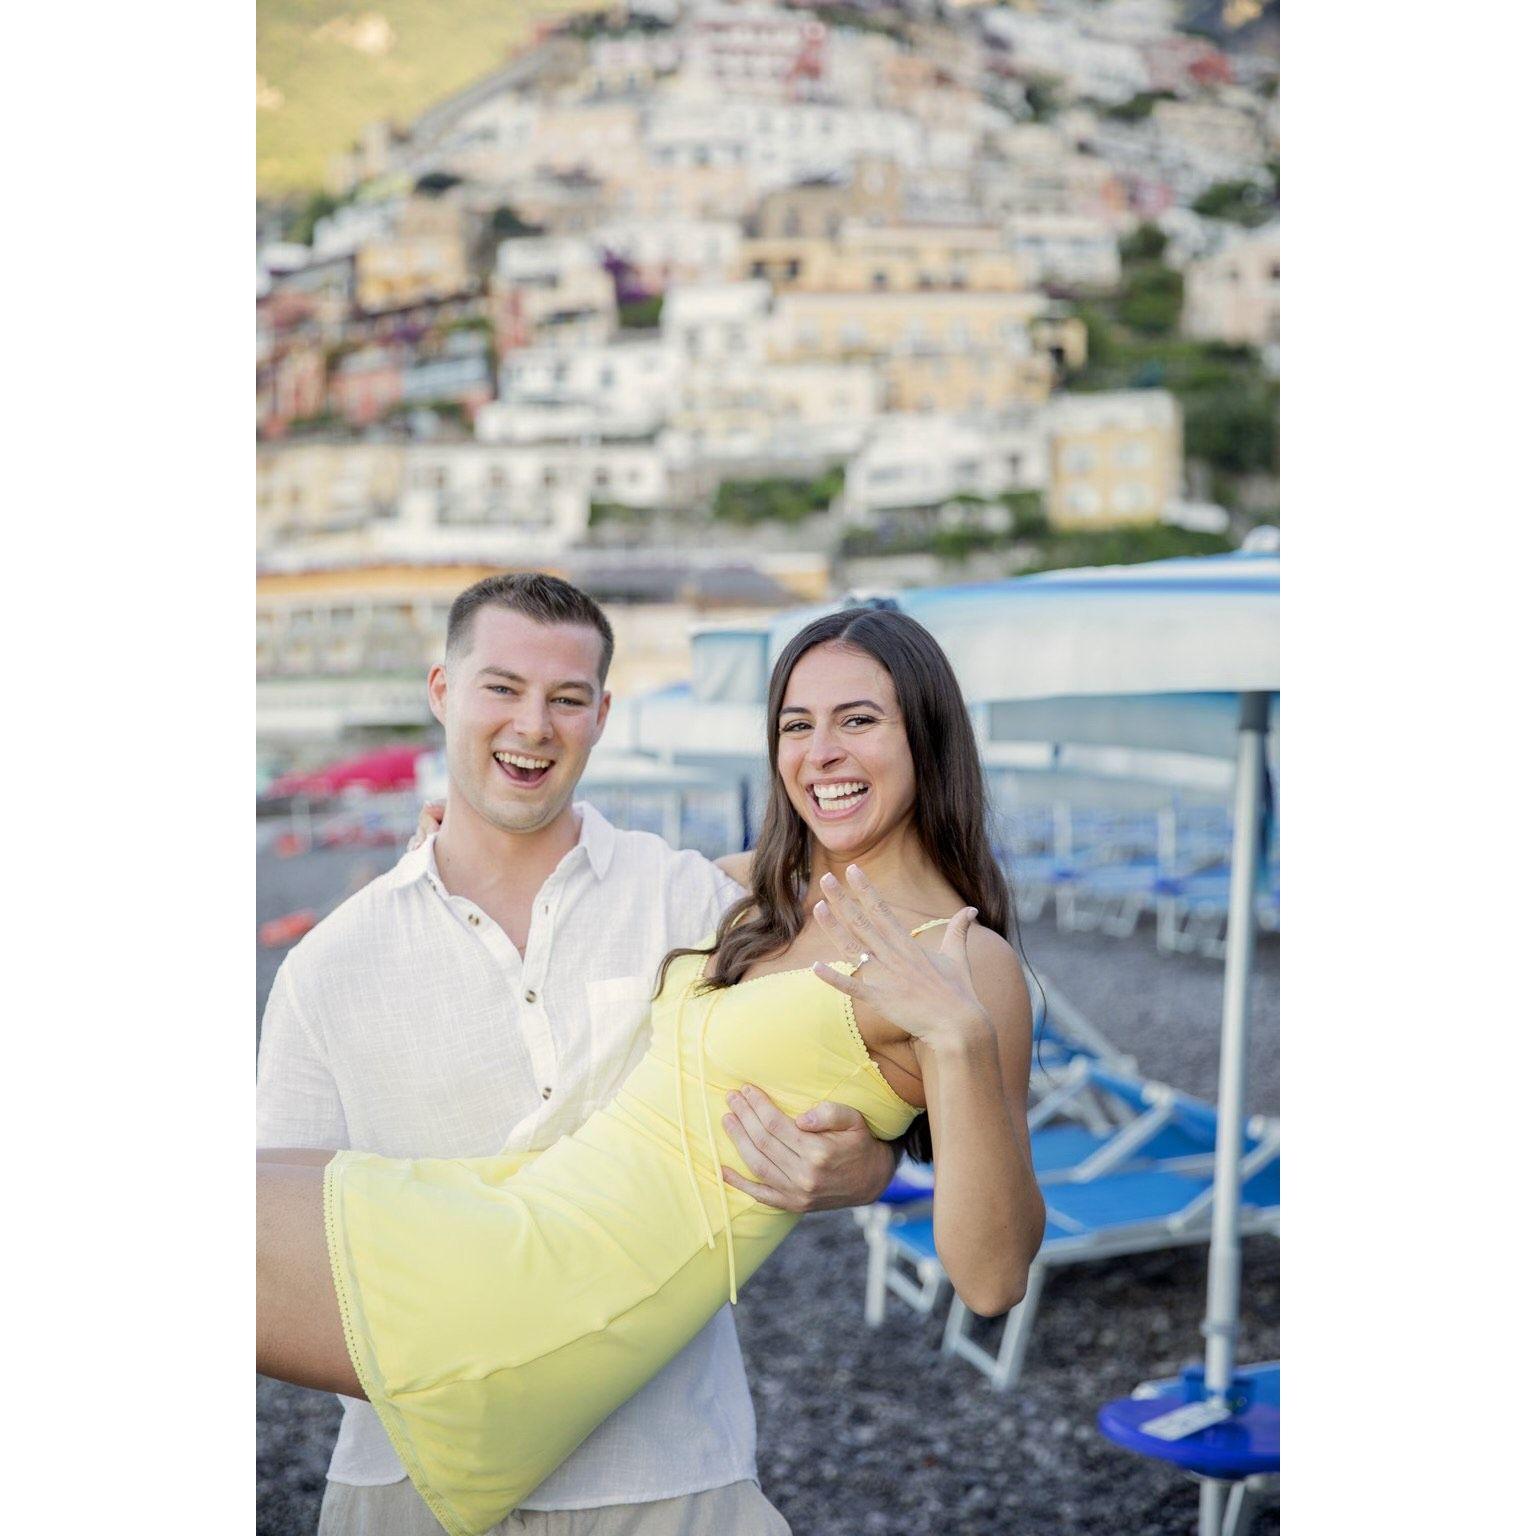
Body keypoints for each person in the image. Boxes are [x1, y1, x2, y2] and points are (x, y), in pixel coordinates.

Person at [258, 601, 1047, 1536]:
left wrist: (953, 1045)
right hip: (512, 1219)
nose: (821, 753)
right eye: (797, 726)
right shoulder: (754, 891)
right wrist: (455, 834)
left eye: (859, 720)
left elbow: (992, 1277)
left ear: (928, 734)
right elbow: (563, 863)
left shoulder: (964, 962)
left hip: (561, 1293)